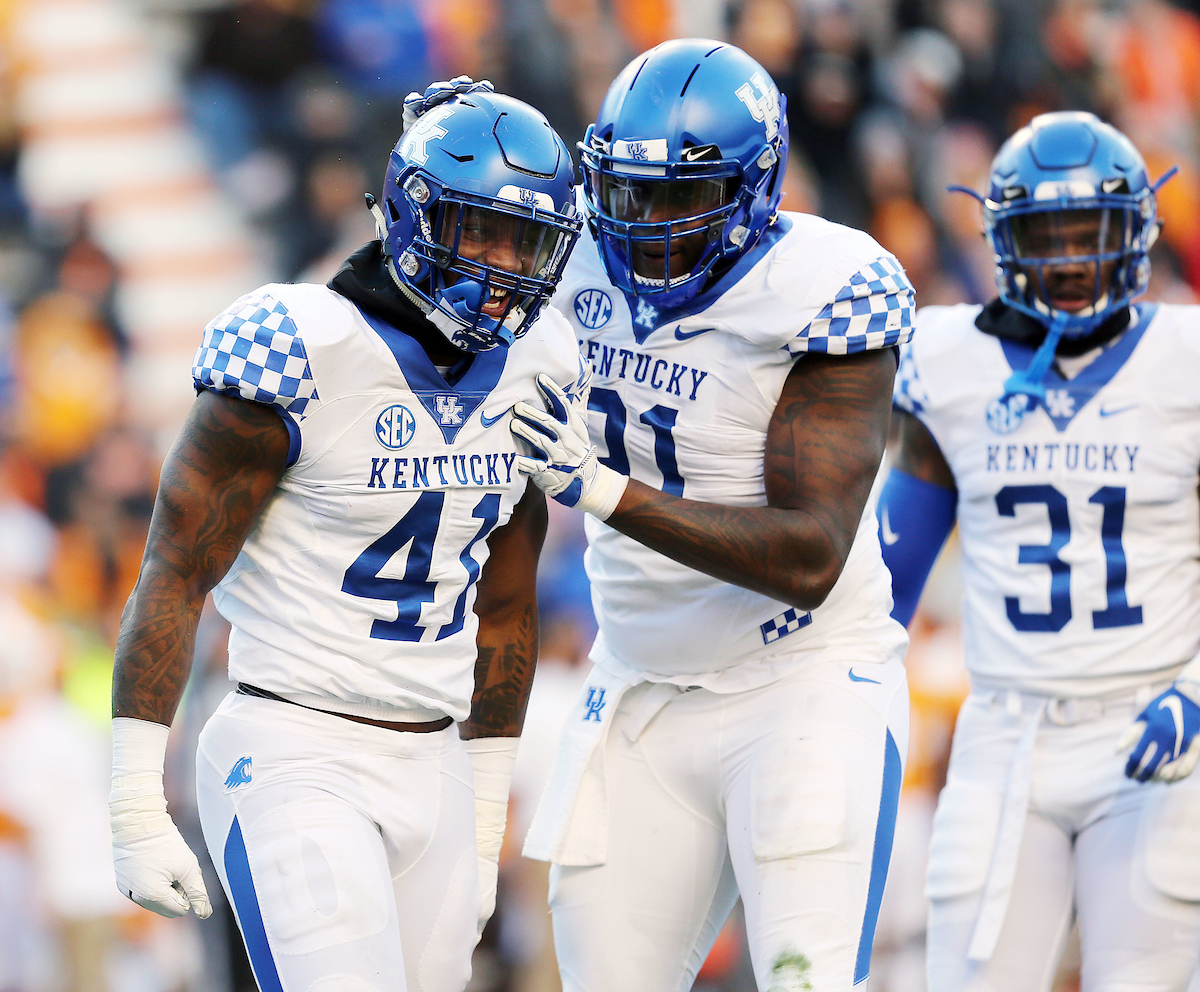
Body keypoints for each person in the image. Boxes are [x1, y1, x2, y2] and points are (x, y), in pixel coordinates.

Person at [108, 79, 587, 992]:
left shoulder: (541, 359)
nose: (499, 264)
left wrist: (483, 824)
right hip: (297, 745)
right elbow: (174, 571)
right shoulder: (301, 346)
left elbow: (508, 604)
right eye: (476, 229)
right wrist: (135, 799)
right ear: (411, 218)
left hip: (436, 759)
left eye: (525, 239)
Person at [502, 38, 914, 991]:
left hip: (800, 682)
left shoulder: (824, 288)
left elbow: (810, 553)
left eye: (681, 198)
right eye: (629, 191)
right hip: (642, 683)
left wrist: (601, 492)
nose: (645, 223)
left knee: (806, 978)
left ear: (755, 189)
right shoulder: (569, 257)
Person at [877, 110, 1200, 992]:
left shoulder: (1186, 359)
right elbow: (885, 583)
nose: (1065, 263)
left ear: (1134, 237)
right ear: (998, 240)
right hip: (1005, 732)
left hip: (1156, 730)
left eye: (1087, 237)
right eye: (1042, 238)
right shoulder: (949, 360)